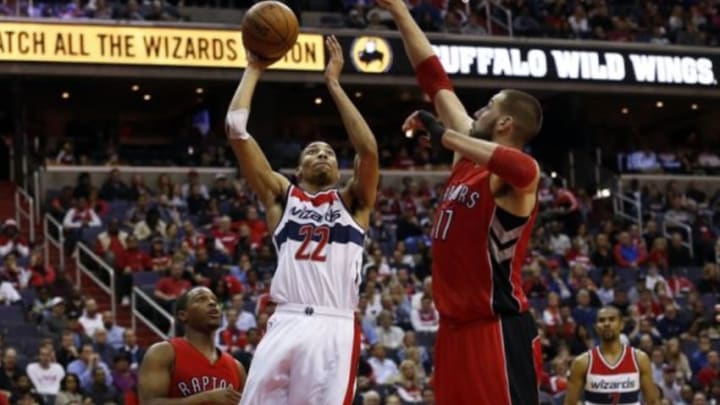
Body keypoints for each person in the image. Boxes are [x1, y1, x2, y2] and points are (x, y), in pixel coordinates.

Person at [379, 0, 543, 402]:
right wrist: (399, 11)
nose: (477, 110)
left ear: (505, 123)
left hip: (496, 329)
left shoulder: (515, 177)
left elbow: (525, 170)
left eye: (488, 107)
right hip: (452, 330)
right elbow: (435, 80)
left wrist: (445, 136)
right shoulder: (469, 155)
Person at [226, 36, 379, 405]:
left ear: (340, 171)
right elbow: (236, 130)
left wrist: (334, 85)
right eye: (313, 151)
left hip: (334, 323)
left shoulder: (354, 202)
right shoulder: (282, 196)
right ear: (297, 169)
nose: (323, 154)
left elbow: (368, 150)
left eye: (329, 152)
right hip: (287, 319)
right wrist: (253, 69)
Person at [138, 287, 245, 404]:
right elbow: (149, 403)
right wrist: (205, 398)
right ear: (183, 315)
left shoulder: (236, 367)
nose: (212, 303)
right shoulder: (163, 352)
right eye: (201, 299)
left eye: (214, 300)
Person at [564, 306, 659, 405]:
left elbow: (652, 401)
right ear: (596, 327)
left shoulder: (640, 359)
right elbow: (570, 403)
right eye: (601, 320)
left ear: (621, 324)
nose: (606, 323)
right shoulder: (582, 362)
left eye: (612, 319)